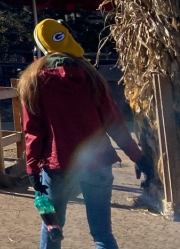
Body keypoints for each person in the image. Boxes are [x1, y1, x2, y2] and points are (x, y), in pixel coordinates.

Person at [19, 19, 152, 249]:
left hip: (58, 167)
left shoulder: (33, 82)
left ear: (40, 49)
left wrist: (32, 170)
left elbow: (33, 132)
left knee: (52, 228)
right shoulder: (91, 76)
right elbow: (114, 123)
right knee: (102, 234)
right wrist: (138, 157)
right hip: (98, 164)